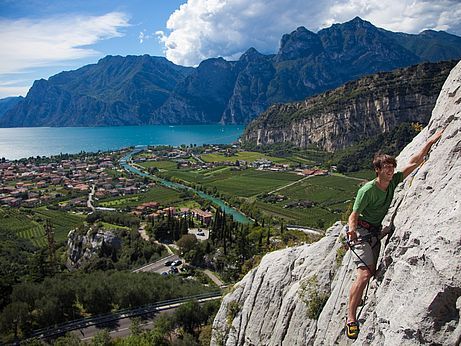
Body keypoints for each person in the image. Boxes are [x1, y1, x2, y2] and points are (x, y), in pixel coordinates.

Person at [345, 130, 443, 340]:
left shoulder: (395, 180)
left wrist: (432, 140)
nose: (390, 171)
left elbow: (415, 161)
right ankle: (351, 318)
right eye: (386, 168)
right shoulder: (368, 190)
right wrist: (352, 230)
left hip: (374, 231)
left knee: (370, 272)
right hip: (361, 231)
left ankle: (358, 298)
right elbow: (353, 214)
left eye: (391, 167)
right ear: (377, 170)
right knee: (364, 274)